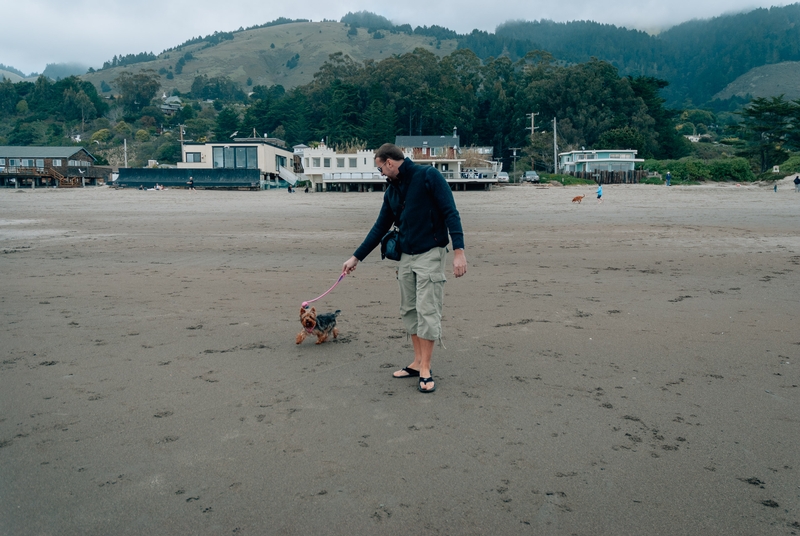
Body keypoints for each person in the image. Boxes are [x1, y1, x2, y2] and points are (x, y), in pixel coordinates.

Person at [342, 143, 467, 393]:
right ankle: (417, 361)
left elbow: (451, 213)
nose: (381, 174)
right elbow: (379, 227)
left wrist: (459, 252)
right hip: (406, 257)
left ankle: (426, 368)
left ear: (390, 162)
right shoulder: (391, 191)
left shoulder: (428, 176)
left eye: (380, 168)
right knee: (409, 310)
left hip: (431, 253)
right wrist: (356, 257)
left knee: (427, 310)